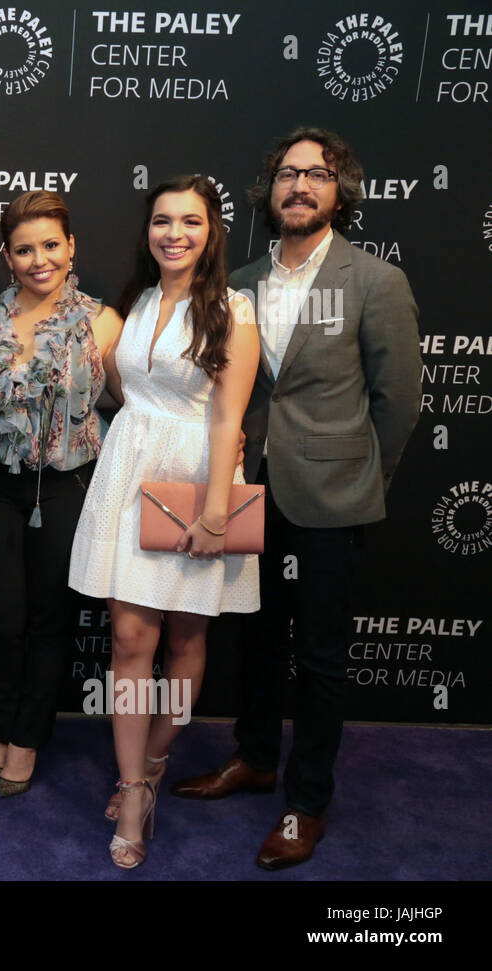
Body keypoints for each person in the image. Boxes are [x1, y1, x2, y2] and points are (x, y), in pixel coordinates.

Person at [170, 128, 422, 870]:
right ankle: (253, 757)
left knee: (317, 657)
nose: (300, 186)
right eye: (287, 174)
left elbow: (398, 402)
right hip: (250, 494)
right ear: (269, 189)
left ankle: (306, 800)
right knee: (252, 637)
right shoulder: (238, 279)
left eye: (317, 174)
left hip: (332, 495)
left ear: (341, 190)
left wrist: (362, 480)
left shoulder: (376, 281)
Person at [68, 175, 261, 869]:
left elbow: (228, 415)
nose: (173, 233)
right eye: (161, 220)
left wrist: (215, 509)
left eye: (189, 221)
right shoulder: (135, 301)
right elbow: (123, 390)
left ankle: (152, 765)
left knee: (184, 635)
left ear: (211, 232)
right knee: (128, 637)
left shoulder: (233, 308)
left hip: (196, 482)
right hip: (130, 473)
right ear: (146, 231)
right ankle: (131, 786)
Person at [0, 191, 122, 800]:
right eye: (24, 249)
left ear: (71, 246)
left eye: (50, 245)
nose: (39, 260)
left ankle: (27, 739)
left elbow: (139, 402)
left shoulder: (102, 321)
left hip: (66, 489)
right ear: (7, 256)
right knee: (0, 620)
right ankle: (3, 726)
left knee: (49, 621)